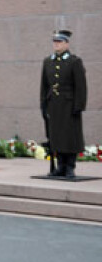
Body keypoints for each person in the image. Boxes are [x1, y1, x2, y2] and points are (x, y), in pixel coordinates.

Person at [41, 30, 87, 179]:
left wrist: (79, 106)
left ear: (67, 43)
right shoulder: (48, 61)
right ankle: (60, 166)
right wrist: (43, 104)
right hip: (54, 105)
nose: (56, 44)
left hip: (69, 106)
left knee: (70, 137)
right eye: (55, 41)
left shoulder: (74, 61)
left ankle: (70, 167)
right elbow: (44, 85)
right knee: (56, 136)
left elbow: (80, 86)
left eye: (60, 42)